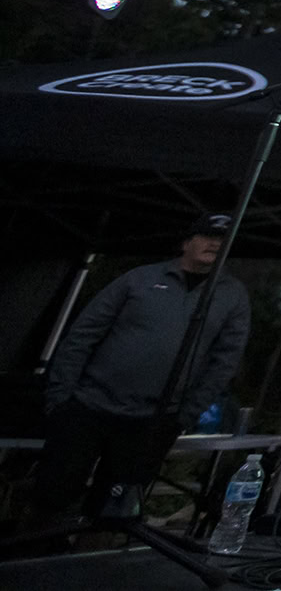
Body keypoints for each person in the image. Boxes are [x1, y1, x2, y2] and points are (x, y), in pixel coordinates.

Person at [36, 214, 250, 520]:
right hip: (87, 406)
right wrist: (62, 397)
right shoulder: (140, 278)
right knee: (53, 494)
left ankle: (92, 560)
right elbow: (83, 334)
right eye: (207, 236)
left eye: (224, 239)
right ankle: (32, 554)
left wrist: (184, 415)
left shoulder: (233, 296)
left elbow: (225, 361)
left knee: (114, 510)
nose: (215, 244)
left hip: (152, 420)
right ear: (186, 243)